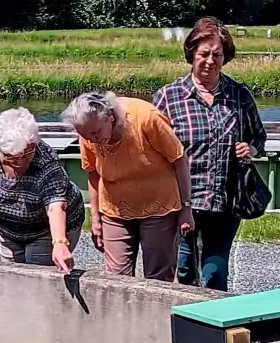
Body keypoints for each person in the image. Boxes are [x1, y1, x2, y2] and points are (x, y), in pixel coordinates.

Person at [152, 17, 266, 291]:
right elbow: (152, 150)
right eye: (204, 54)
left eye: (217, 55)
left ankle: (216, 328)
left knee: (215, 273)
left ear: (226, 57)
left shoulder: (238, 95)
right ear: (192, 53)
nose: (210, 61)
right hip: (181, 202)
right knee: (183, 270)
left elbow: (258, 136)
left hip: (225, 201)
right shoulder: (168, 97)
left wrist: (249, 148)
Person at [62, 91, 191, 281]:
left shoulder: (146, 117)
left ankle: (155, 312)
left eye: (96, 133)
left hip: (159, 206)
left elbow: (179, 159)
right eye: (85, 136)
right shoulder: (88, 132)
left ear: (110, 116)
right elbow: (93, 173)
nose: (92, 140)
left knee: (158, 277)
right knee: (116, 278)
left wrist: (186, 208)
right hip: (115, 209)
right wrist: (96, 219)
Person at [0, 107, 83, 272]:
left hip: (45, 228)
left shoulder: (46, 162)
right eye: (11, 157)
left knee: (37, 276)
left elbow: (56, 206)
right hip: (7, 226)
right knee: (10, 274)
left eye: (27, 154)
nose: (20, 162)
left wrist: (60, 243)